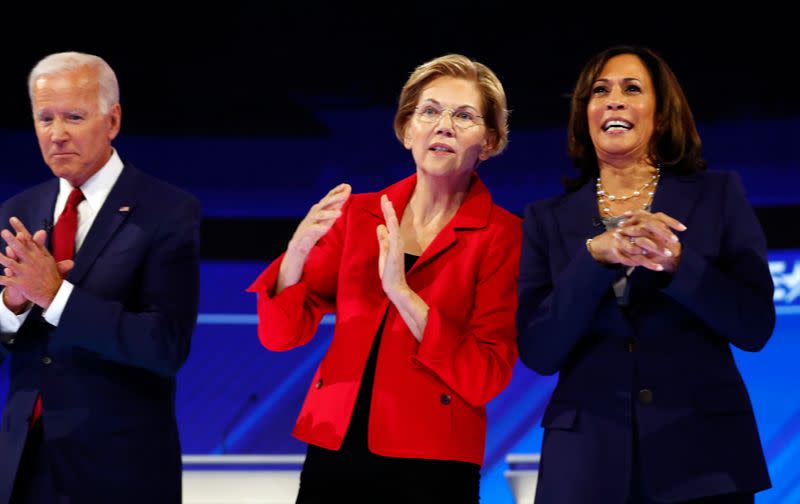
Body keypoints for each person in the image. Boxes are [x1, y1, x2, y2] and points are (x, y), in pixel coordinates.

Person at [248, 53, 520, 503]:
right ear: (407, 129)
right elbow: (280, 336)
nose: (443, 125)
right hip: (336, 449)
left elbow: (485, 376)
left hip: (435, 460)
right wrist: (295, 253)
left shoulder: (504, 236)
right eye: (429, 111)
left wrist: (402, 293)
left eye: (464, 116)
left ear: (489, 141)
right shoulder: (358, 215)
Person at [516, 46, 774, 504]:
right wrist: (593, 259)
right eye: (600, 91)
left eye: (632, 88)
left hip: (703, 463)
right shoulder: (546, 220)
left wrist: (679, 263)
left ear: (661, 111)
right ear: (585, 114)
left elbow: (753, 326)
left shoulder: (718, 196)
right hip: (584, 468)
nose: (614, 100)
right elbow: (539, 351)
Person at [0, 52, 200, 503]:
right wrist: (11, 307)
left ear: (112, 121)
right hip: (21, 468)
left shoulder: (167, 211)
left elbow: (165, 346)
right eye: (44, 118)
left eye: (74, 116)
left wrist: (56, 296)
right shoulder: (16, 212)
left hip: (119, 471)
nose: (56, 134)